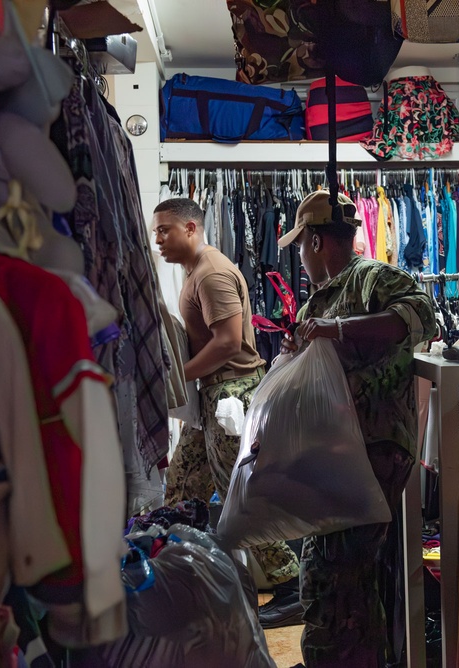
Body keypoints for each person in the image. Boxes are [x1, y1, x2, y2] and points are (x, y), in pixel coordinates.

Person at [277, 191, 437, 667]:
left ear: (317, 240)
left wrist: (339, 330)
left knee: (334, 572)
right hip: (335, 454)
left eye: (302, 246)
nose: (301, 257)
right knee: (342, 577)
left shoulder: (372, 278)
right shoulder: (314, 306)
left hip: (374, 449)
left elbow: (421, 315)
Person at [152, 198, 300, 622]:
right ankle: (187, 576)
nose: (158, 238)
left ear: (191, 228)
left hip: (231, 395)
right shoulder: (195, 270)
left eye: (165, 229)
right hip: (214, 395)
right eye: (156, 231)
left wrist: (176, 379)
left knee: (241, 493)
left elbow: (229, 342)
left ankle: (290, 584)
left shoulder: (212, 273)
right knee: (182, 489)